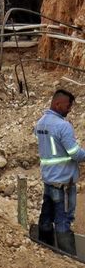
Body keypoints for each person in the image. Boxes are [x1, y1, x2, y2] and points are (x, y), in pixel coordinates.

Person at [35, 89, 85, 255]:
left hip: (49, 179)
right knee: (64, 220)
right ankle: (68, 257)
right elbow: (75, 154)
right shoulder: (63, 126)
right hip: (64, 182)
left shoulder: (41, 122)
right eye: (68, 105)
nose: (70, 109)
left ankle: (46, 250)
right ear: (57, 104)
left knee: (46, 217)